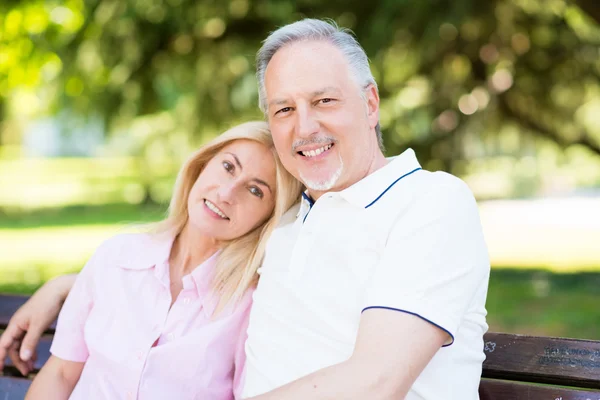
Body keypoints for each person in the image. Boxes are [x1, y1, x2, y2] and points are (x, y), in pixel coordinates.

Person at [1, 19, 490, 400]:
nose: (305, 128)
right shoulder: (284, 227)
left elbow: (376, 381)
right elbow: (171, 275)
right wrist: (66, 287)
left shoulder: (432, 202)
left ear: (371, 103)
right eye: (283, 109)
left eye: (324, 100)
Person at [22, 121, 302, 399]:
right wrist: (61, 285)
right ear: (202, 165)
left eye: (255, 191)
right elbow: (61, 374)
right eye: (228, 167)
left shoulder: (251, 306)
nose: (226, 193)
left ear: (269, 216)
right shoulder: (117, 256)